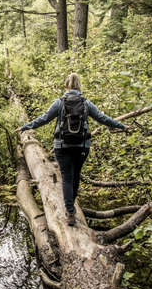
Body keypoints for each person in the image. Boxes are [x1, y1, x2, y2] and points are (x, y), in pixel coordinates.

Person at [14, 73, 130, 226]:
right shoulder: (86, 103)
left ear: (66, 85)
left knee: (67, 178)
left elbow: (44, 119)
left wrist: (25, 126)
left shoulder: (59, 103)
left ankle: (70, 212)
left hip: (62, 146)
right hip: (82, 146)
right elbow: (103, 118)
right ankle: (71, 204)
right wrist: (122, 126)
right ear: (79, 85)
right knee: (75, 177)